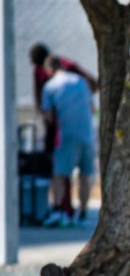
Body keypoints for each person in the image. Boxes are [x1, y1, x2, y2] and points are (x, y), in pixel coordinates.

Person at [40, 56, 97, 226]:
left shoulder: (50, 86)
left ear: (49, 70)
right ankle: (83, 214)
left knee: (60, 174)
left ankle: (58, 211)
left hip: (66, 134)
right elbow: (92, 108)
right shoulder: (81, 81)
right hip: (87, 134)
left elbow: (49, 116)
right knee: (85, 176)